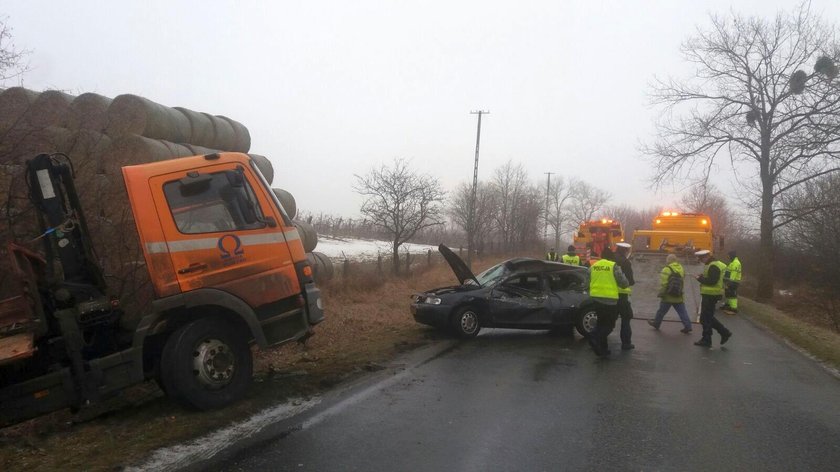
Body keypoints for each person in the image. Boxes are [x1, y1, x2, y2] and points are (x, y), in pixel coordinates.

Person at [588, 247, 630, 357]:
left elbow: (588, 280)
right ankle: (594, 337)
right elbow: (624, 283)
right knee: (609, 325)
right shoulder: (613, 266)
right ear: (611, 256)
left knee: (601, 322)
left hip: (596, 299)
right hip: (609, 300)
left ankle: (603, 350)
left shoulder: (594, 266)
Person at [693, 249, 732, 347]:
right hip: (711, 294)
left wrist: (700, 279)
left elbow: (712, 281)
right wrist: (703, 276)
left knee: (705, 318)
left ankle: (707, 339)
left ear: (706, 257)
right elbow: (713, 277)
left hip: (711, 294)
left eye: (701, 259)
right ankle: (723, 333)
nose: (701, 261)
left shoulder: (713, 266)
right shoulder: (713, 264)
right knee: (707, 317)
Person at [647, 254, 693, 333]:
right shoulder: (681, 268)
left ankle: (656, 323)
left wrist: (662, 293)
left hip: (668, 295)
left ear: (668, 260)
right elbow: (682, 280)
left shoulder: (666, 269)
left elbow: (664, 284)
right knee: (682, 312)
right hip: (678, 294)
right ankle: (688, 326)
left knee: (661, 311)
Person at [614, 242, 635, 350]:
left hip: (609, 294)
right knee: (626, 318)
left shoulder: (609, 259)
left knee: (608, 320)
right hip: (622, 295)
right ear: (626, 251)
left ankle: (596, 339)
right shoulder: (625, 262)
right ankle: (626, 343)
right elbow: (630, 281)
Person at [722, 250, 742, 314]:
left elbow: (734, 273)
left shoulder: (736, 263)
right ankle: (728, 305)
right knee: (728, 293)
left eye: (729, 255)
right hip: (729, 281)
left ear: (732, 255)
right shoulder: (732, 262)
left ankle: (734, 309)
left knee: (732, 294)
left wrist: (730, 282)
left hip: (733, 282)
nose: (728, 257)